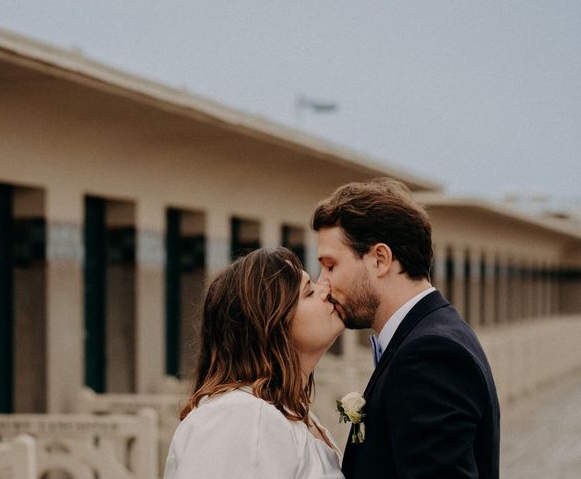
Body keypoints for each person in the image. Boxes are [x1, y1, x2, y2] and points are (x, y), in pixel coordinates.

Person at [313, 178, 500, 479]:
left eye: (331, 265)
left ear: (380, 259)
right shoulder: (433, 335)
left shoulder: (428, 354)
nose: (323, 282)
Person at [163, 247, 345, 479]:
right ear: (272, 324)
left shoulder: (284, 413)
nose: (326, 290)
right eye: (309, 293)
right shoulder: (242, 416)